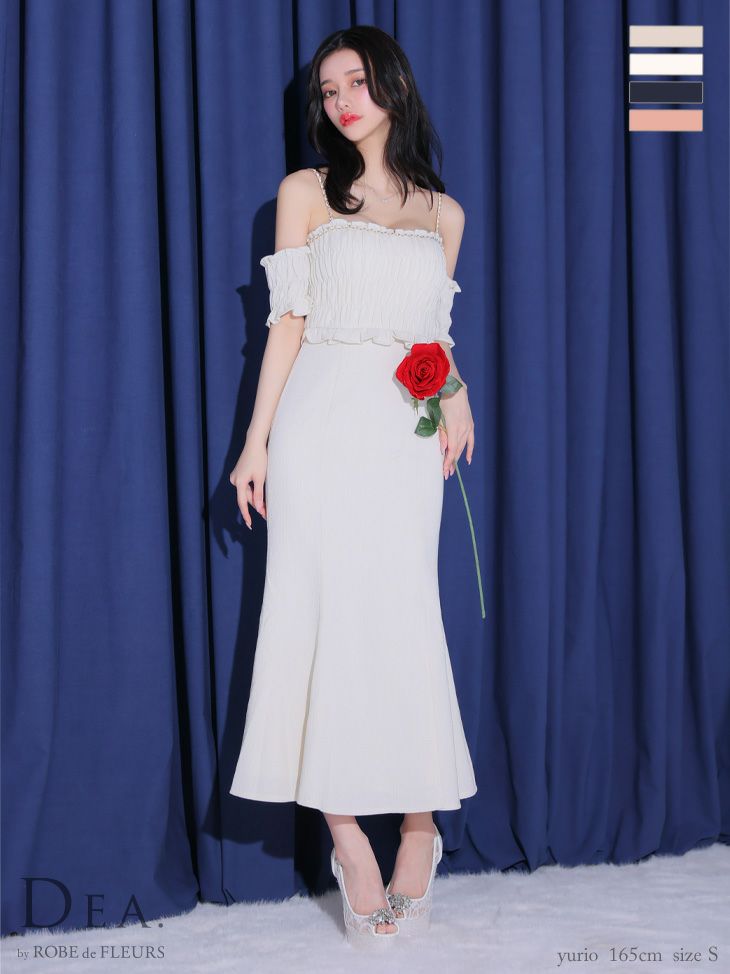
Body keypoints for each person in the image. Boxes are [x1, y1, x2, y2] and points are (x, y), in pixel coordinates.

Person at [228, 25, 478, 948]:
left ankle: (419, 826)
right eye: (328, 91)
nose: (341, 101)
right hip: (320, 425)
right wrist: (256, 442)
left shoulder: (444, 214)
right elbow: (287, 325)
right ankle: (347, 840)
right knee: (318, 619)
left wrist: (455, 391)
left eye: (357, 82)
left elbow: (428, 336)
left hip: (402, 437)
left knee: (405, 620)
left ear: (394, 88)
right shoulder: (305, 193)